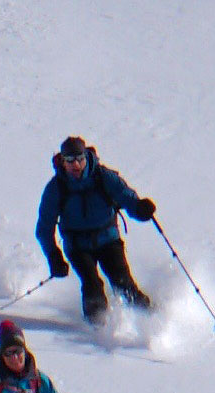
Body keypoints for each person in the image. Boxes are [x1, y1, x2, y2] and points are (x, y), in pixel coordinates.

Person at [37, 136, 158, 323]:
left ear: (87, 156)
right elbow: (44, 228)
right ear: (62, 161)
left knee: (122, 281)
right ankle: (97, 328)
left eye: (80, 158)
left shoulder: (103, 177)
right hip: (77, 246)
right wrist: (54, 255)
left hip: (108, 239)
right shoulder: (56, 188)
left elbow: (126, 196)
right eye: (70, 160)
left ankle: (150, 316)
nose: (76, 164)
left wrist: (140, 209)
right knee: (92, 284)